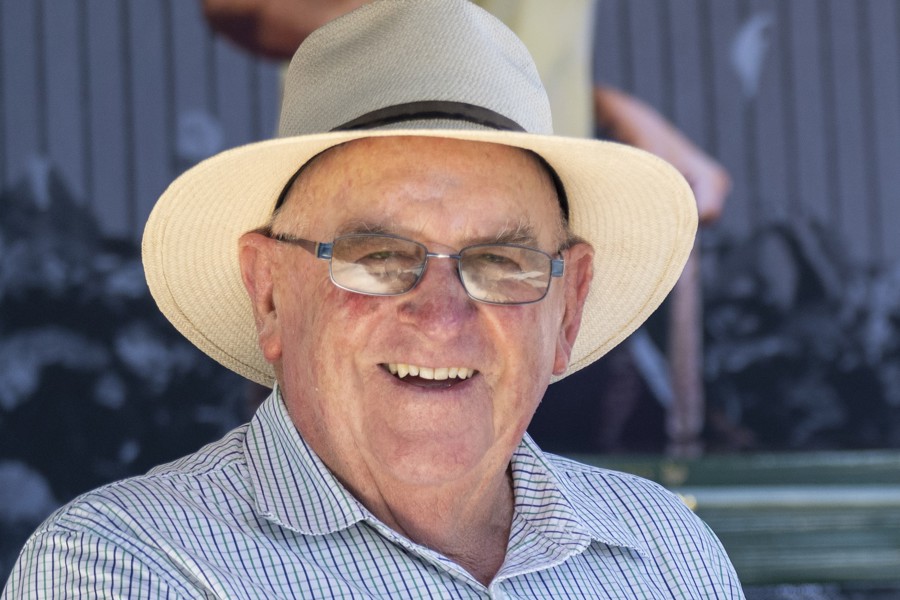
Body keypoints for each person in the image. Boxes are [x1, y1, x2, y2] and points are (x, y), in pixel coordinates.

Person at [3, 1, 743, 597]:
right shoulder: (127, 566)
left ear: (569, 308)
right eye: (379, 257)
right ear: (269, 293)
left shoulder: (668, 555)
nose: (442, 316)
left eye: (500, 260)